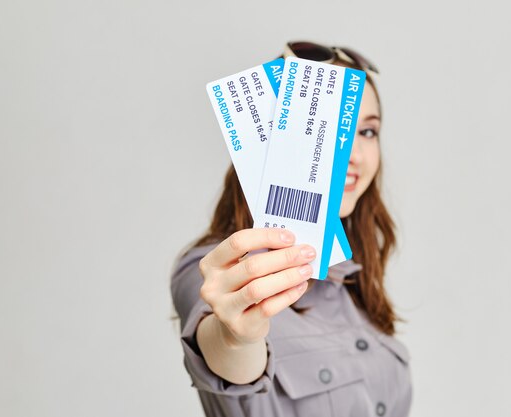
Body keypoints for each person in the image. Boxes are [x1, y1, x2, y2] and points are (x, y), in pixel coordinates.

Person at [170, 41, 412, 417]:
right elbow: (224, 350)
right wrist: (235, 337)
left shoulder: (353, 282)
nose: (355, 155)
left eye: (367, 132)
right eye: (332, 128)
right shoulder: (211, 269)